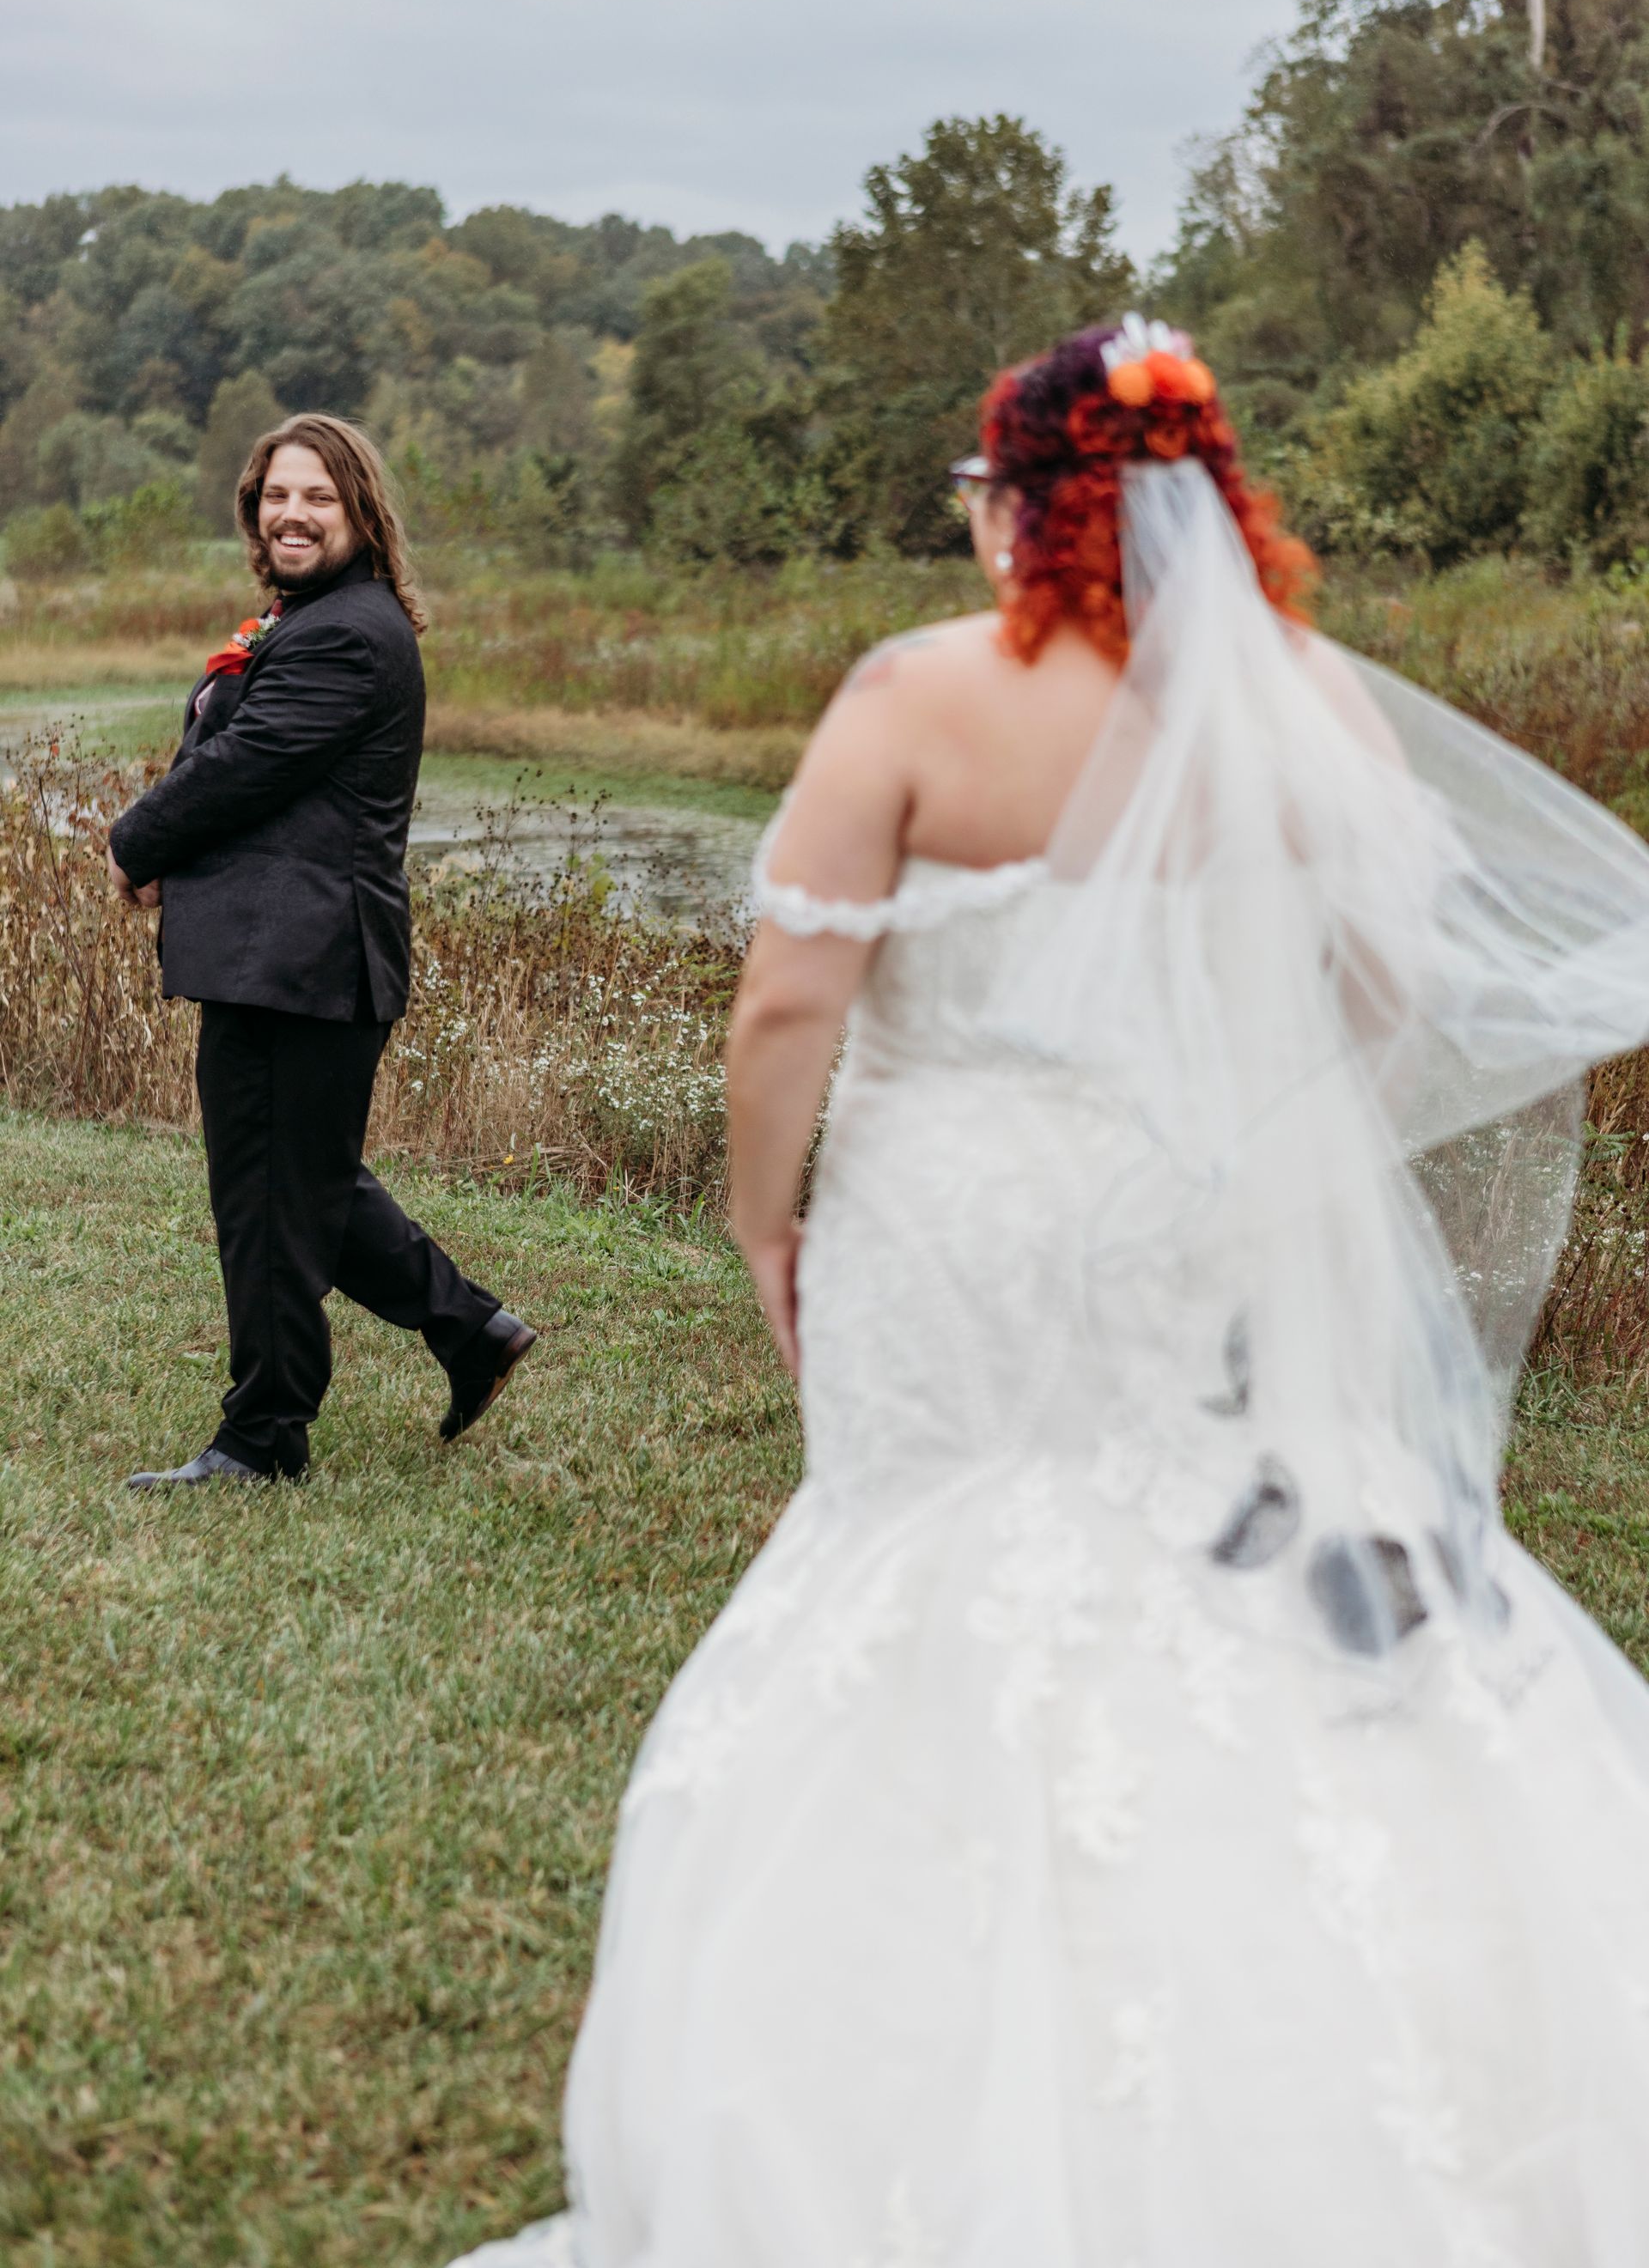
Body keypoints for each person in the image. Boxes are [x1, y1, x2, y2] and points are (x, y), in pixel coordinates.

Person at [453, 323, 1649, 2267]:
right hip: (1194, 1216)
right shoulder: (1310, 701)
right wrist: (1261, 1131)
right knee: (1213, 1555)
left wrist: (761, 1222)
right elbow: (1395, 988)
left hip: (957, 1226)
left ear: (1024, 501)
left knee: (937, 1555)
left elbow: (786, 1005)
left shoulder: (921, 693)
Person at [110, 414, 535, 1489]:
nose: (292, 514)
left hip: (302, 960)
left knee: (269, 1198)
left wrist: (135, 842)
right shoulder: (307, 619)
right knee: (301, 1183)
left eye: (318, 497)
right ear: (254, 510)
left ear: (361, 512)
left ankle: (262, 1439)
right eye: (276, 496)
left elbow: (247, 762)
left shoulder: (348, 634)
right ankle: (470, 1329)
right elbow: (229, 749)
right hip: (280, 954)